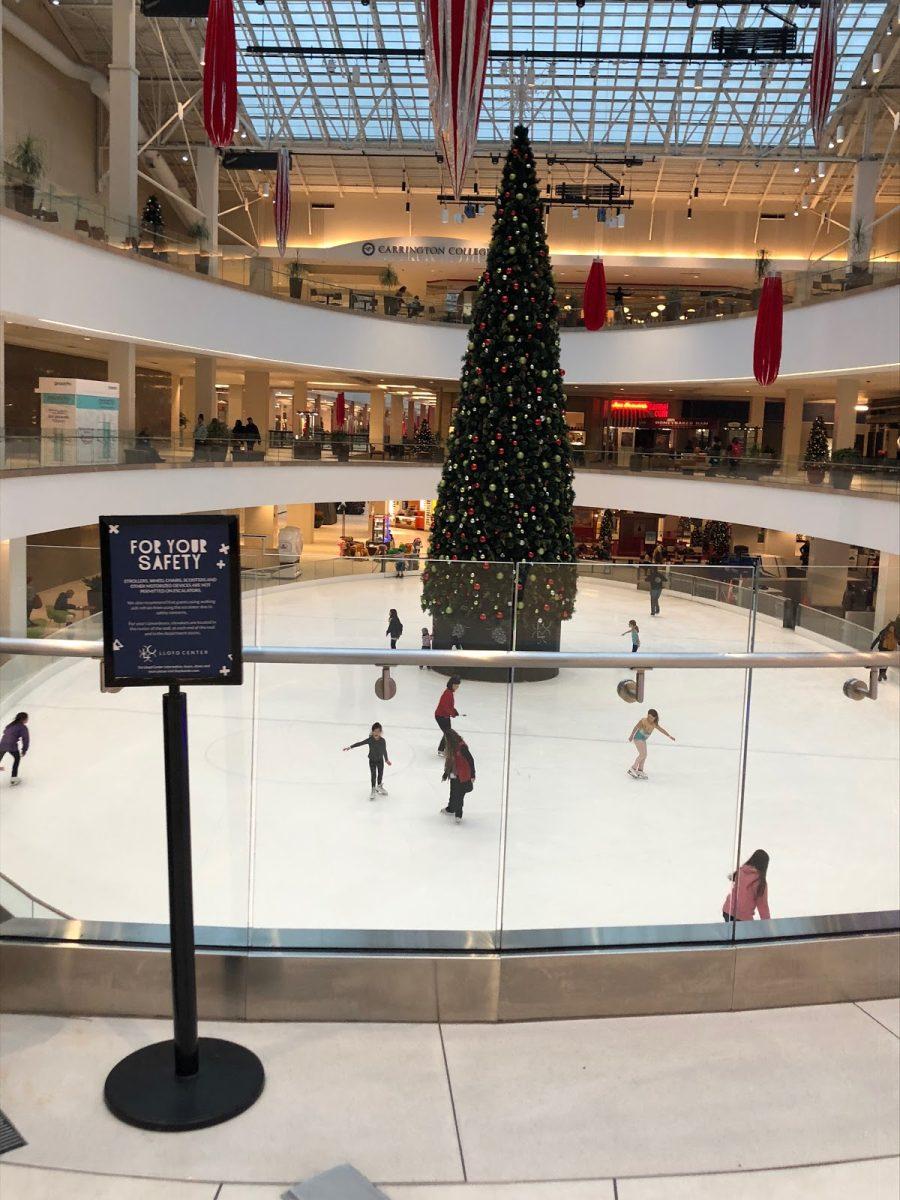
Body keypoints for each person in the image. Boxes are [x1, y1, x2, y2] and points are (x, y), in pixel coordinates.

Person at [343, 722, 391, 800]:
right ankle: (373, 789)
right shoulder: (370, 740)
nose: (376, 733)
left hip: (380, 760)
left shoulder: (382, 741)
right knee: (373, 774)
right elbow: (360, 743)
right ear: (372, 732)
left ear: (381, 732)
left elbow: (384, 750)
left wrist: (386, 759)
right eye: (375, 731)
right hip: (372, 760)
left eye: (378, 731)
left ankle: (379, 787)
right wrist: (350, 747)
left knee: (380, 774)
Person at [723, 849, 770, 922]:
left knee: (732, 930)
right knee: (746, 932)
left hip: (728, 910)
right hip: (742, 916)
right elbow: (763, 906)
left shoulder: (741, 871)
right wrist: (767, 924)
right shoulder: (760, 882)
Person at [627, 708, 675, 779]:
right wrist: (631, 736)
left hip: (643, 739)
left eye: (651, 717)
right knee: (642, 754)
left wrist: (669, 735)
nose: (649, 718)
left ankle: (640, 770)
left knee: (644, 755)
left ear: (655, 718)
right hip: (638, 738)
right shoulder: (643, 720)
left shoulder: (654, 724)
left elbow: (661, 730)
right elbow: (635, 728)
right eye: (648, 716)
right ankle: (633, 768)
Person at [441, 728, 475, 824]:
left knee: (459, 795)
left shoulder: (462, 747)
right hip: (454, 774)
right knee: (453, 792)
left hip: (463, 775)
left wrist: (473, 774)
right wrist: (445, 774)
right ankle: (451, 808)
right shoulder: (451, 748)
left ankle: (458, 814)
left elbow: (471, 760)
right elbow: (449, 762)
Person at [0, 712, 29, 787]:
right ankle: (13, 778)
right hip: (11, 745)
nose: (27, 720)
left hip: (2, 744)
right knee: (17, 758)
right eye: (27, 718)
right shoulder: (23, 727)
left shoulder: (11, 725)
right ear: (24, 719)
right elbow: (26, 739)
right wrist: (24, 750)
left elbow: (5, 732)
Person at [435, 674, 462, 754]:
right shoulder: (447, 693)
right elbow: (445, 707)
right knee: (448, 733)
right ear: (451, 684)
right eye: (456, 685)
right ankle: (442, 750)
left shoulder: (450, 693)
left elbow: (450, 706)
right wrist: (452, 713)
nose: (457, 687)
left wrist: (454, 711)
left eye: (458, 686)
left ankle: (442, 749)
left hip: (445, 716)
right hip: (440, 716)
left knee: (448, 733)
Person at [871, 616, 899, 682]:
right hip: (883, 648)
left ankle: (883, 673)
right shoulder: (884, 633)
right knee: (883, 661)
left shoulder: (896, 634)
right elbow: (878, 638)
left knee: (887, 661)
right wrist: (872, 646)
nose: (892, 628)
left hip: (890, 648)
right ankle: (881, 673)